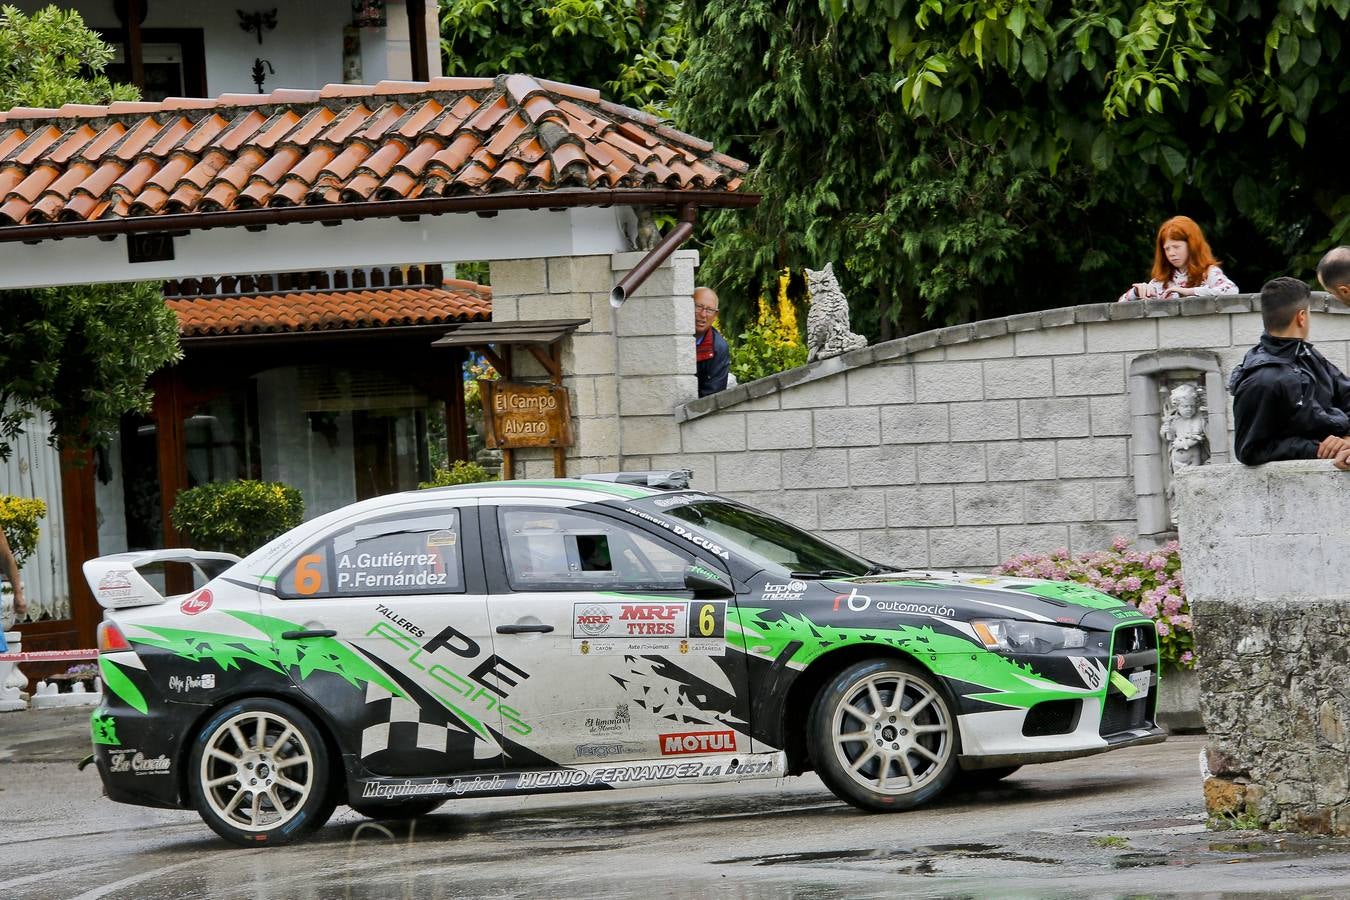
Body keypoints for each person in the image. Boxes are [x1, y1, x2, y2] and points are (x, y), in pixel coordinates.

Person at [1228, 276, 1350, 465]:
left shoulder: (1308, 354)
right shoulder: (1261, 379)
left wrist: (1346, 440)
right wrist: (1317, 448)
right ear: (1301, 317)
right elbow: (1250, 449)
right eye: (1309, 313)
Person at [1119, 215, 1240, 302]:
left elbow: (1232, 290)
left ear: (1192, 246)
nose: (1171, 253)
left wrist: (1190, 292)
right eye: (1167, 249)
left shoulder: (1208, 273)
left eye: (1176, 247)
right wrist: (1136, 292)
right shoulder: (1161, 281)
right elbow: (1120, 304)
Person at [693, 286, 729, 397]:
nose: (703, 315)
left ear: (715, 315)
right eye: (698, 307)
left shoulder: (718, 348)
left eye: (709, 310)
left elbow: (713, 396)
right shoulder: (670, 336)